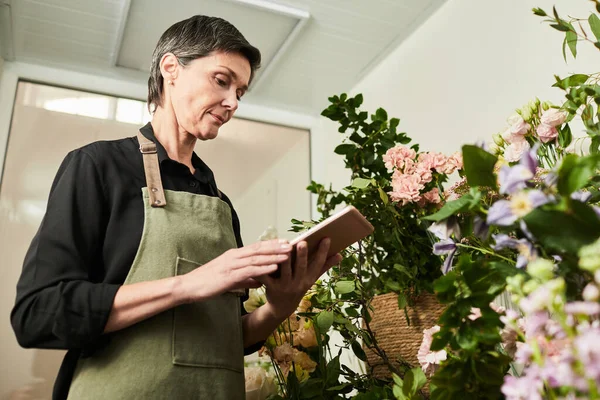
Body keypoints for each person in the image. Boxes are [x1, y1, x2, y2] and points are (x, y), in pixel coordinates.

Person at [10, 15, 341, 399]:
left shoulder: (220, 203)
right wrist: (188, 284)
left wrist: (279, 306)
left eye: (241, 92)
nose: (233, 102)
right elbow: (38, 313)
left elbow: (224, 340)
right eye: (221, 80)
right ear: (171, 68)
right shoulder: (98, 167)